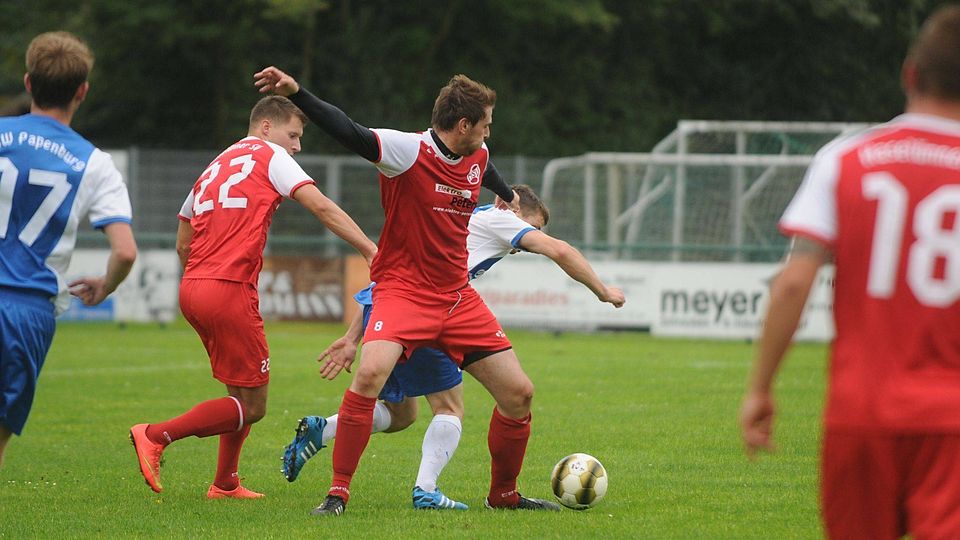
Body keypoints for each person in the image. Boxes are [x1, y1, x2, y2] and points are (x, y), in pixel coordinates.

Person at [255, 66, 561, 516]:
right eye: (486, 124)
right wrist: (298, 94)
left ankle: (504, 497)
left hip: (456, 296)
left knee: (520, 394)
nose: (489, 131)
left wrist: (504, 193)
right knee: (369, 375)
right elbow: (349, 130)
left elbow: (486, 165)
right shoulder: (406, 151)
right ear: (463, 126)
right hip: (403, 291)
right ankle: (337, 493)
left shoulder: (477, 155)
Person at [739, 5, 960, 537]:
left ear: (910, 73)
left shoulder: (847, 157)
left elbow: (794, 281)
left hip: (860, 412)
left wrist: (761, 388)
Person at [281, 184, 625, 511]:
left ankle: (324, 430)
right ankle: (427, 491)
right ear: (513, 207)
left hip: (401, 305)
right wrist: (603, 290)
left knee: (404, 414)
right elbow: (560, 250)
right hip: (418, 309)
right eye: (533, 227)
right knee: (448, 405)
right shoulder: (499, 218)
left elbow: (385, 279)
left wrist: (353, 336)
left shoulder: (466, 220)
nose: (526, 241)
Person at [128, 95, 377, 499]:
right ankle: (155, 435)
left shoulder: (215, 164)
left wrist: (203, 277)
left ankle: (225, 482)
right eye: (293, 135)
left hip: (192, 287)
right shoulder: (270, 156)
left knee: (237, 391)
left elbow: (183, 239)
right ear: (266, 127)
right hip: (228, 289)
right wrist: (369, 249)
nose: (296, 146)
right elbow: (322, 207)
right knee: (255, 405)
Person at [0, 31, 138, 467]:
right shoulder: (94, 163)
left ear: (28, 82)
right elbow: (126, 251)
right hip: (26, 311)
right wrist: (106, 285)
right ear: (82, 91)